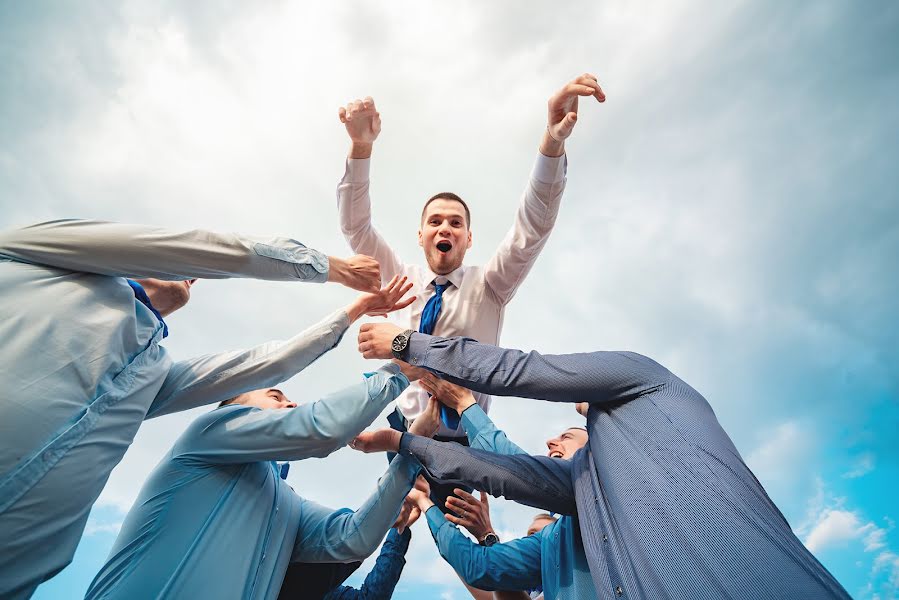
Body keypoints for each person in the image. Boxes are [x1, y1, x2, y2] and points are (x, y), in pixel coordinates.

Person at [0, 218, 387, 599]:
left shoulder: (151, 377)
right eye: (275, 397)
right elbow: (199, 249)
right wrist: (332, 268)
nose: (193, 275)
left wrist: (354, 311)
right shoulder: (26, 252)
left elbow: (267, 363)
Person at [354, 326, 853, 599]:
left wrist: (410, 345)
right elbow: (510, 474)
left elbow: (521, 371)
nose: (552, 439)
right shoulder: (588, 488)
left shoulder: (647, 383)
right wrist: (403, 445)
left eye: (565, 437)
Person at [85, 317, 439, 600]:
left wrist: (413, 445)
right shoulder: (210, 433)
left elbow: (354, 538)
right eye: (275, 395)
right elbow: (321, 428)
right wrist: (400, 371)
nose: (290, 404)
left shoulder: (287, 504)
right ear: (232, 408)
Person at [335, 73, 605, 437]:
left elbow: (533, 228)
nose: (444, 228)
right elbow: (356, 227)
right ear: (421, 235)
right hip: (404, 434)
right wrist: (360, 147)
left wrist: (552, 143)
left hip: (466, 440)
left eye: (455, 223)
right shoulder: (400, 281)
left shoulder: (490, 286)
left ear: (468, 238)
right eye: (435, 221)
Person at [400, 374, 594, 599]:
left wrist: (464, 406)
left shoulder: (616, 485)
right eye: (530, 534)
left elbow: (518, 470)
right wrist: (429, 504)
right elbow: (481, 569)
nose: (550, 441)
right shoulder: (554, 541)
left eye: (567, 436)